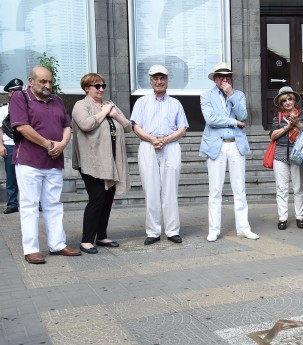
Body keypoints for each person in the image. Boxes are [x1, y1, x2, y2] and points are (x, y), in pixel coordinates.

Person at [10, 66, 81, 264]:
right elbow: (22, 126)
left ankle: (58, 244)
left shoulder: (57, 100)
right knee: (29, 206)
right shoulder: (20, 97)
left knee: (54, 205)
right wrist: (49, 144)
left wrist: (63, 144)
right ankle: (31, 249)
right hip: (29, 161)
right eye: (43, 81)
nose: (47, 85)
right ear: (31, 81)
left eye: (50, 81)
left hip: (54, 161)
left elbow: (67, 125)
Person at [71, 73, 131, 254]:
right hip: (91, 160)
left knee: (108, 198)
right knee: (97, 198)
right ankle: (87, 240)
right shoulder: (81, 105)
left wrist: (115, 114)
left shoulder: (109, 104)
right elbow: (86, 124)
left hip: (111, 160)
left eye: (103, 85)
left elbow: (128, 127)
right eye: (97, 86)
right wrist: (104, 113)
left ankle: (102, 235)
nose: (101, 89)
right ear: (86, 88)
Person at [200, 62, 259, 242]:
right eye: (221, 76)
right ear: (215, 78)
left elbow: (243, 116)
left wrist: (231, 95)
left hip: (236, 145)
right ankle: (213, 229)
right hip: (216, 145)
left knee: (239, 189)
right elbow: (211, 120)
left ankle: (243, 228)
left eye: (228, 76)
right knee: (215, 190)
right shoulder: (206, 96)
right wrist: (234, 123)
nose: (224, 79)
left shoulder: (238, 95)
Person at [131, 65, 188, 245]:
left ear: (167, 80)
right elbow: (136, 126)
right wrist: (152, 139)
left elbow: (182, 128)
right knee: (151, 189)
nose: (159, 82)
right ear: (150, 80)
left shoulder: (175, 103)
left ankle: (172, 230)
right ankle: (153, 231)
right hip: (148, 146)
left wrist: (166, 139)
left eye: (162, 78)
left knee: (170, 189)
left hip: (170, 146)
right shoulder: (141, 102)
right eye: (155, 78)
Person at [268, 86, 303, 230]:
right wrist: (287, 127)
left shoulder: (302, 114)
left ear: (294, 100)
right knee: (282, 188)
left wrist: (297, 123)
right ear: (281, 103)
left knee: (299, 188)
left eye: (290, 99)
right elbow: (272, 135)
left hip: (298, 155)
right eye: (284, 100)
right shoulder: (277, 117)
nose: (288, 102)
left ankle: (299, 217)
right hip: (280, 155)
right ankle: (282, 218)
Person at [0, 78, 23, 214]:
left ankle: (36, 202)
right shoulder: (3, 109)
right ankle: (12, 204)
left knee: (30, 176)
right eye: (14, 91)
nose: (16, 93)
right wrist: (1, 145)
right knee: (11, 177)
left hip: (26, 145)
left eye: (19, 91)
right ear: (9, 93)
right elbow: (0, 128)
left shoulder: (28, 106)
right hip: (9, 145)